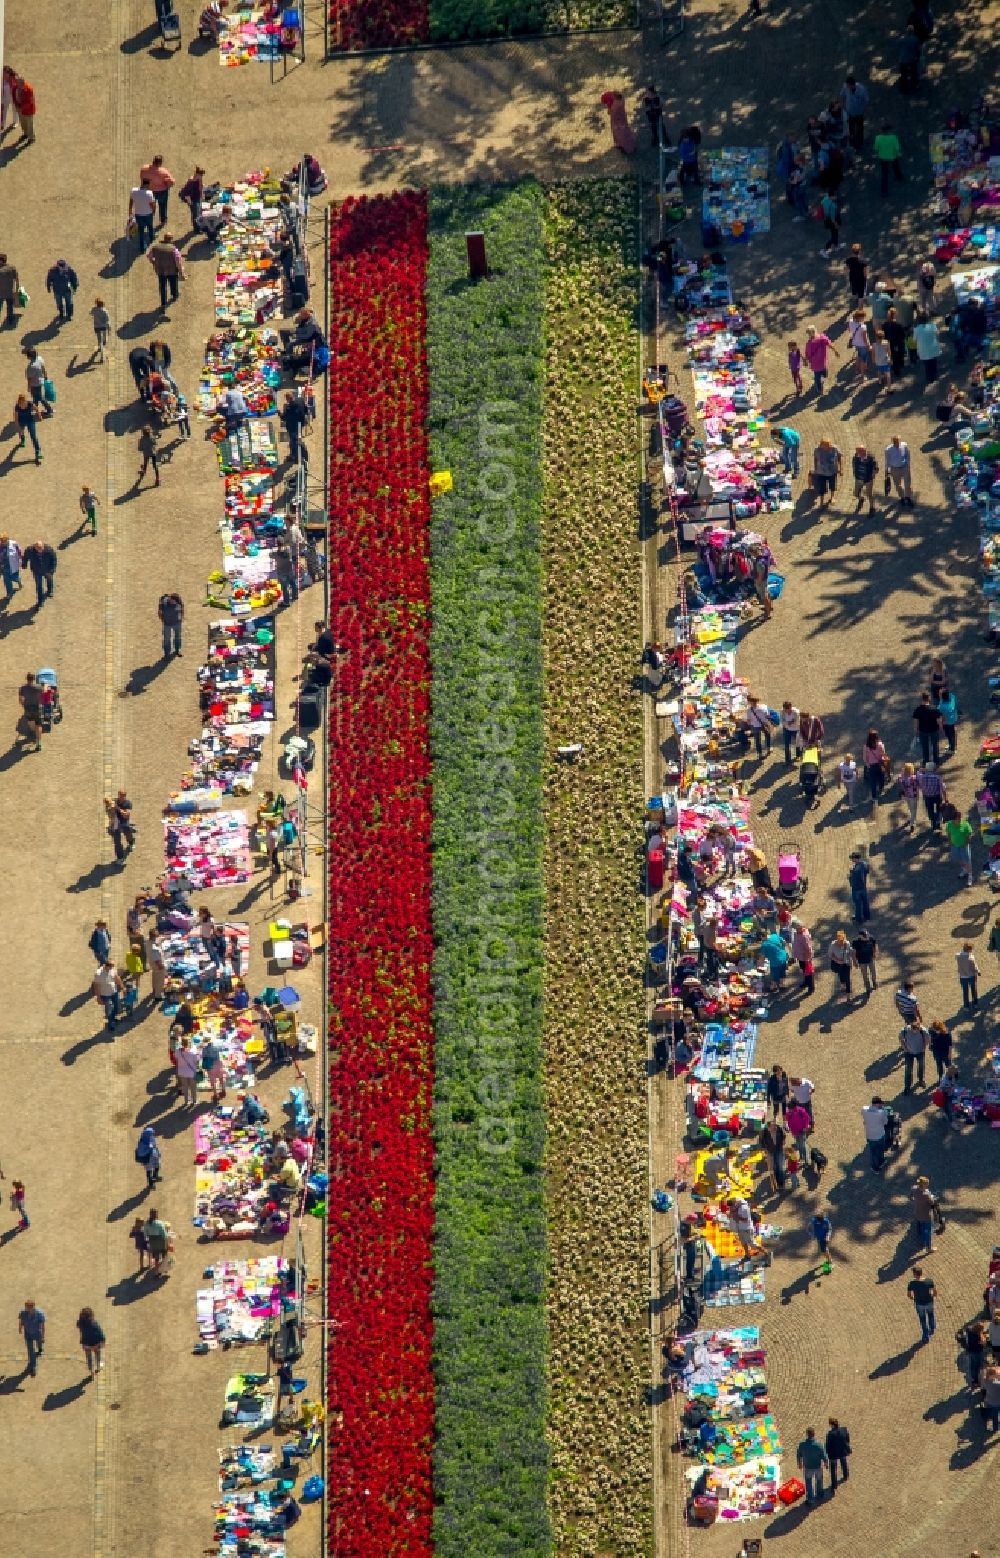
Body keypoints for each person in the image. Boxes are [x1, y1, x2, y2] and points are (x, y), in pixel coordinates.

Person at [147, 233, 185, 310]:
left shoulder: (155, 247)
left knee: (162, 286)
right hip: (172, 270)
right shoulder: (173, 249)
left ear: (164, 238)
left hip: (160, 270)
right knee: (173, 283)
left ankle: (163, 303)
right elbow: (178, 261)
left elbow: (149, 256)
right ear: (171, 240)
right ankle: (174, 295)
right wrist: (181, 272)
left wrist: (154, 262)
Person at [139, 154, 175, 226]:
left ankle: (149, 220)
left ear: (153, 161)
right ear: (160, 163)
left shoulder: (144, 169)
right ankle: (163, 220)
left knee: (149, 206)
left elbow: (142, 178)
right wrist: (167, 185)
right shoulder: (163, 172)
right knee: (162, 206)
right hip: (162, 191)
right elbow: (172, 182)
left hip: (149, 191)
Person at [796, 1427, 829, 1505]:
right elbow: (824, 1456)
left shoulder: (802, 1445)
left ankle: (810, 1499)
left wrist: (799, 1464)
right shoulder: (819, 1445)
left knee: (808, 1483)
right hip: (817, 1467)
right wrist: (826, 1464)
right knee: (819, 1481)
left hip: (808, 1467)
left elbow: (798, 1455)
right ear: (814, 1434)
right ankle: (819, 1494)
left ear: (807, 1434)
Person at [804, 325, 839, 396]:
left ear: (809, 334)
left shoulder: (809, 344)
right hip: (823, 362)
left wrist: (805, 361)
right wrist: (835, 351)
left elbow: (807, 354)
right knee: (824, 374)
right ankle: (822, 379)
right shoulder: (822, 338)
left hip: (815, 365)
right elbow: (830, 344)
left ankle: (820, 390)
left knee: (817, 379)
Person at [93, 960, 125, 1031]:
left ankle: (112, 1018)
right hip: (105, 994)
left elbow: (117, 978)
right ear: (107, 965)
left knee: (116, 1007)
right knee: (109, 1009)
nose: (113, 968)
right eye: (111, 966)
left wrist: (123, 987)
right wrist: (98, 997)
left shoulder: (112, 969)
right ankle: (111, 1024)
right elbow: (96, 986)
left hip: (114, 992)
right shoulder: (98, 974)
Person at [906, 1267, 936, 1341]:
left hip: (919, 1304)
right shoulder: (929, 1281)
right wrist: (932, 1296)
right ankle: (932, 1327)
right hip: (929, 1301)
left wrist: (913, 1298)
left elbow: (909, 1294)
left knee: (922, 1319)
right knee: (930, 1314)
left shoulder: (912, 1283)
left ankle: (925, 1334)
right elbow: (934, 1291)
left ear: (915, 1274)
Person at [912, 691, 942, 765]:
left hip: (923, 731)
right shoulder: (934, 709)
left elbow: (916, 723)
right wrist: (941, 729)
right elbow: (939, 721)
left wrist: (916, 731)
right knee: (935, 745)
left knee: (925, 747)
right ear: (929, 698)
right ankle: (936, 760)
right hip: (934, 730)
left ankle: (926, 760)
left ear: (922, 699)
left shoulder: (917, 710)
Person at [280, 390, 310, 464]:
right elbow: (306, 410)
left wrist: (279, 413)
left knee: (294, 441)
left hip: (292, 427)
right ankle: (295, 454)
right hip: (300, 424)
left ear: (288, 399)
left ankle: (294, 456)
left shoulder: (289, 408)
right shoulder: (300, 399)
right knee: (296, 439)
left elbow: (283, 418)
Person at [910, 1176, 938, 1255]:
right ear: (924, 1185)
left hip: (917, 1212)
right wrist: (931, 1196)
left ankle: (920, 1238)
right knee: (928, 1231)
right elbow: (932, 1202)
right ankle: (929, 1248)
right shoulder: (926, 1194)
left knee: (920, 1225)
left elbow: (910, 1196)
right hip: (926, 1215)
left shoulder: (914, 1188)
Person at [873, 123, 903, 195]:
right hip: (893, 156)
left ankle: (884, 191)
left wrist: (877, 153)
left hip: (883, 157)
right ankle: (899, 177)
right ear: (889, 130)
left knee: (884, 174)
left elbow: (876, 148)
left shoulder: (878, 138)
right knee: (896, 167)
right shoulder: (893, 137)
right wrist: (898, 153)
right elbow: (897, 148)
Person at [45, 258, 78, 322]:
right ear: (57, 265)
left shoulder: (69, 270)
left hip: (67, 290)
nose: (62, 268)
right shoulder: (52, 271)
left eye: (63, 266)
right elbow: (49, 280)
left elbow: (74, 278)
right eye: (61, 266)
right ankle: (61, 314)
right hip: (57, 290)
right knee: (59, 303)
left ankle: (69, 315)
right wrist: (48, 288)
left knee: (69, 303)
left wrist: (74, 287)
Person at [840, 74, 869, 149]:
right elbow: (842, 96)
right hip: (849, 112)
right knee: (850, 128)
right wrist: (843, 108)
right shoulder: (845, 87)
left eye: (848, 86)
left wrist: (865, 111)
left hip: (859, 112)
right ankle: (852, 142)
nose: (847, 87)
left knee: (860, 128)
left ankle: (860, 141)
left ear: (852, 85)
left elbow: (866, 101)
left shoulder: (862, 89)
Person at [811, 438, 842, 507]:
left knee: (832, 485)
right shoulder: (817, 450)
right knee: (821, 488)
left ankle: (832, 497)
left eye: (829, 445)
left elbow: (839, 458)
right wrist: (815, 469)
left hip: (832, 471)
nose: (828, 447)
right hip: (821, 472)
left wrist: (840, 469)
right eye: (825, 445)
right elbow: (815, 459)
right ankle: (821, 501)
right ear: (821, 445)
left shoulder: (835, 449)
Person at [129, 178, 157, 252]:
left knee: (141, 230)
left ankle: (142, 248)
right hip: (148, 214)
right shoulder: (149, 193)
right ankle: (151, 238)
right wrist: (154, 211)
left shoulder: (133, 191)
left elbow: (131, 201)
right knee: (150, 226)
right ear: (147, 184)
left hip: (138, 214)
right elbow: (152, 205)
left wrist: (130, 211)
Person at [900, 1019, 928, 1093]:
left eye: (917, 1030)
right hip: (909, 1053)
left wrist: (923, 1048)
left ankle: (921, 1080)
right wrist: (905, 1048)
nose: (915, 1032)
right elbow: (901, 1038)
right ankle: (907, 1086)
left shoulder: (923, 1031)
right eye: (913, 1030)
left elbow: (927, 1039)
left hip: (920, 1052)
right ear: (911, 1027)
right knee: (908, 1069)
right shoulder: (905, 1030)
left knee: (921, 1066)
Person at [18, 1299, 45, 1376]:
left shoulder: (40, 1314)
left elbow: (42, 1326)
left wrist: (43, 1336)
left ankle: (40, 1348)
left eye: (28, 1308)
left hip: (37, 1333)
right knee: (30, 1350)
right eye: (26, 1307)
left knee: (39, 1344)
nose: (27, 1309)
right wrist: (20, 1328)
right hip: (28, 1333)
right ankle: (33, 1367)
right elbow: (21, 1320)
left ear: (33, 1307)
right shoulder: (23, 1312)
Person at [23, 347, 53, 417]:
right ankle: (35, 408)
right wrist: (45, 375)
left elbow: (29, 379)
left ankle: (49, 410)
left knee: (40, 398)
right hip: (40, 381)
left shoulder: (31, 367)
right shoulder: (39, 359)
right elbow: (43, 368)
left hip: (35, 384)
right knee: (36, 397)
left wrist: (29, 387)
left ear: (29, 357)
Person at [25, 540, 57, 606]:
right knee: (39, 586)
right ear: (35, 547)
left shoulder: (49, 549)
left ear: (43, 546)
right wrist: (24, 564)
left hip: (47, 570)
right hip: (36, 571)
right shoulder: (29, 550)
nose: (40, 551)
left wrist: (52, 570)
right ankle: (40, 601)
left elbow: (54, 559)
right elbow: (25, 557)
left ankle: (50, 591)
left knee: (49, 580)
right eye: (38, 549)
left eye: (41, 549)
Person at [861, 1096, 888, 1171]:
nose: (881, 1105)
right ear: (876, 1104)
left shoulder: (864, 1109)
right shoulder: (882, 1112)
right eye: (880, 1104)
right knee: (880, 1150)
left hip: (870, 1135)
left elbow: (864, 1114)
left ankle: (876, 1166)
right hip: (880, 1134)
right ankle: (879, 1163)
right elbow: (885, 1122)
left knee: (873, 1152)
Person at [884, 435, 913, 504]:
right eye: (895, 442)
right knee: (898, 484)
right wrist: (886, 470)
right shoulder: (888, 449)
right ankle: (902, 497)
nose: (897, 443)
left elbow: (907, 454)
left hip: (904, 467)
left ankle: (908, 497)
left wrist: (908, 464)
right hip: (894, 469)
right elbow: (887, 460)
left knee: (907, 483)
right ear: (893, 442)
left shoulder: (904, 445)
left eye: (898, 441)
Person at [947, 815, 974, 888]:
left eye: (959, 819)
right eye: (957, 820)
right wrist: (950, 842)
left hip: (964, 846)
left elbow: (970, 834)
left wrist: (966, 843)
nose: (958, 821)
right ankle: (965, 870)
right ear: (953, 820)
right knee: (957, 859)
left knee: (967, 861)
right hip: (954, 846)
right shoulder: (949, 824)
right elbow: (949, 833)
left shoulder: (965, 824)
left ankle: (970, 876)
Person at [917, 761, 946, 829]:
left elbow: (918, 773)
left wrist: (921, 769)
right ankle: (938, 822)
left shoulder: (922, 777)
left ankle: (933, 821)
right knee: (938, 809)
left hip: (927, 797)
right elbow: (943, 788)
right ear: (934, 769)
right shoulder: (937, 777)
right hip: (936, 796)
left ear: (926, 769)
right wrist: (945, 798)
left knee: (930, 810)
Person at [77, 1308, 106, 1377]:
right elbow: (100, 1333)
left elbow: (80, 1329)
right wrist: (103, 1340)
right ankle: (99, 1367)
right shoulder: (94, 1324)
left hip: (86, 1344)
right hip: (95, 1344)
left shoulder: (80, 1323)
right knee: (98, 1355)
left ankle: (91, 1372)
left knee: (89, 1358)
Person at [759, 1117, 786, 1191]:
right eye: (773, 1126)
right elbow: (761, 1142)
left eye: (775, 1126)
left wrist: (783, 1141)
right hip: (770, 1151)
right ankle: (774, 1183)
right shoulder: (764, 1132)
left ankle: (781, 1184)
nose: (775, 1127)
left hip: (779, 1150)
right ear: (768, 1127)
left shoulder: (779, 1129)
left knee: (779, 1167)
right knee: (772, 1168)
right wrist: (764, 1149)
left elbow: (783, 1135)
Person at [914, 313, 941, 385]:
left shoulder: (916, 329)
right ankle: (934, 375)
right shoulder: (932, 326)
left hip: (923, 349)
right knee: (933, 362)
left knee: (927, 364)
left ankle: (929, 377)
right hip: (933, 347)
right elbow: (937, 334)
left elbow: (914, 340)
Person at [18, 672, 43, 751]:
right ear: (34, 679)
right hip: (37, 708)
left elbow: (21, 699)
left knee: (30, 722)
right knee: (38, 725)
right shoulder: (39, 688)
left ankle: (33, 735)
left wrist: (24, 706)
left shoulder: (23, 688)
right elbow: (43, 697)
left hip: (28, 708)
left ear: (27, 679)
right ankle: (38, 744)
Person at [13, 394, 41, 463]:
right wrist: (18, 429)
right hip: (21, 421)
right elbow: (16, 419)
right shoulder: (17, 407)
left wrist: (39, 416)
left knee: (33, 436)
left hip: (30, 421)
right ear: (19, 401)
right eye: (21, 402)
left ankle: (38, 451)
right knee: (21, 433)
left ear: (25, 400)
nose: (23, 403)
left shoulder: (30, 404)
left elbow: (37, 409)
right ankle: (23, 440)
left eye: (24, 401)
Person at [851, 445, 878, 513]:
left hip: (868, 480)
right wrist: (854, 472)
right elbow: (854, 465)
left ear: (864, 450)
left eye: (861, 451)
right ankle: (861, 499)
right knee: (856, 493)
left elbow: (876, 468)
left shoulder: (870, 458)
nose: (859, 453)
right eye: (858, 451)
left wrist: (873, 474)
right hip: (858, 479)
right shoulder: (856, 457)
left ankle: (872, 508)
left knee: (869, 494)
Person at [825, 1419, 851, 1489]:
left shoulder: (830, 1434)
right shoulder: (844, 1429)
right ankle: (846, 1476)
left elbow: (828, 1445)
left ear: (832, 1425)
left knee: (833, 1469)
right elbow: (847, 1439)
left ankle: (834, 1484)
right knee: (844, 1463)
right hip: (843, 1451)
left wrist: (828, 1453)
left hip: (834, 1454)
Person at [829, 929, 856, 995]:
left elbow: (850, 952)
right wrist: (837, 960)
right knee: (841, 975)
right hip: (838, 964)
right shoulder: (833, 945)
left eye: (842, 940)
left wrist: (854, 961)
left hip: (847, 963)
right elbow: (830, 955)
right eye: (840, 940)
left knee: (847, 978)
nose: (841, 942)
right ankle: (842, 985)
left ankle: (848, 992)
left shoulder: (847, 943)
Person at [851, 928, 878, 993]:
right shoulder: (856, 942)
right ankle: (867, 987)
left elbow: (875, 945)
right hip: (862, 962)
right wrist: (855, 962)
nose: (867, 938)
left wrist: (875, 952)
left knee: (873, 972)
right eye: (865, 936)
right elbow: (853, 953)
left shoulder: (870, 938)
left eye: (867, 935)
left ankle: (874, 982)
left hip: (870, 959)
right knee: (865, 975)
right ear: (860, 936)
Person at [158, 591, 184, 658]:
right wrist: (163, 620)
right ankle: (166, 654)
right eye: (170, 599)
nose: (170, 601)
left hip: (177, 624)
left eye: (172, 600)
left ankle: (177, 650)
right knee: (167, 640)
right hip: (167, 624)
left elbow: (181, 611)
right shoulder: (164, 603)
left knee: (178, 637)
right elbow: (159, 612)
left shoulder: (179, 603)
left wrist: (181, 619)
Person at [12, 74, 36, 144]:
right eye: (17, 82)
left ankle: (31, 138)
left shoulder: (29, 89)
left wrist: (21, 108)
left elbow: (29, 102)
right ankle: (25, 134)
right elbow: (14, 96)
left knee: (29, 124)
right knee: (23, 123)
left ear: (23, 83)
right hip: (20, 109)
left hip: (28, 110)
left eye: (19, 83)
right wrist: (16, 105)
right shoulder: (15, 87)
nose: (17, 84)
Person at [847, 851, 870, 922]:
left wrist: (850, 876)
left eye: (853, 858)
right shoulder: (865, 864)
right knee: (865, 903)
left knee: (858, 905)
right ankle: (867, 916)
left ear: (856, 859)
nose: (852, 860)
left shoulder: (856, 869)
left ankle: (858, 918)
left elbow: (854, 880)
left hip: (856, 889)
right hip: (863, 888)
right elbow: (866, 871)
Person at [898, 25, 921, 93]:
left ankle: (904, 88)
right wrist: (918, 57)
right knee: (914, 73)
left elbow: (898, 44)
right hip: (912, 59)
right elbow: (918, 50)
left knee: (904, 74)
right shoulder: (915, 39)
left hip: (903, 59)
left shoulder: (903, 39)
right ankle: (914, 85)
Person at [136, 424, 160, 488]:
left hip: (146, 453)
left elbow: (140, 449)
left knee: (145, 462)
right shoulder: (152, 437)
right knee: (155, 466)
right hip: (153, 453)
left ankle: (144, 471)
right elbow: (155, 443)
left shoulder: (141, 439)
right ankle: (157, 479)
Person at [0, 251, 20, 327]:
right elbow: (16, 278)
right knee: (10, 307)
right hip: (9, 292)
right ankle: (10, 319)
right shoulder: (12, 268)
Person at [956, 942, 980, 1006]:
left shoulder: (958, 956)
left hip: (963, 977)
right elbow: (974, 966)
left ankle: (966, 1006)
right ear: (969, 950)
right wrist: (978, 971)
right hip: (971, 976)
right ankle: (975, 1004)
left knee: (965, 992)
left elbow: (958, 954)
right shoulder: (971, 957)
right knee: (974, 991)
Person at [982, 1364, 1000, 1433]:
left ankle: (993, 1425)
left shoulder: (985, 1381)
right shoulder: (997, 1384)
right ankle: (996, 1426)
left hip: (989, 1401)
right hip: (997, 1403)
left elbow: (984, 1373)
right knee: (996, 1415)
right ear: (993, 1375)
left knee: (993, 1415)